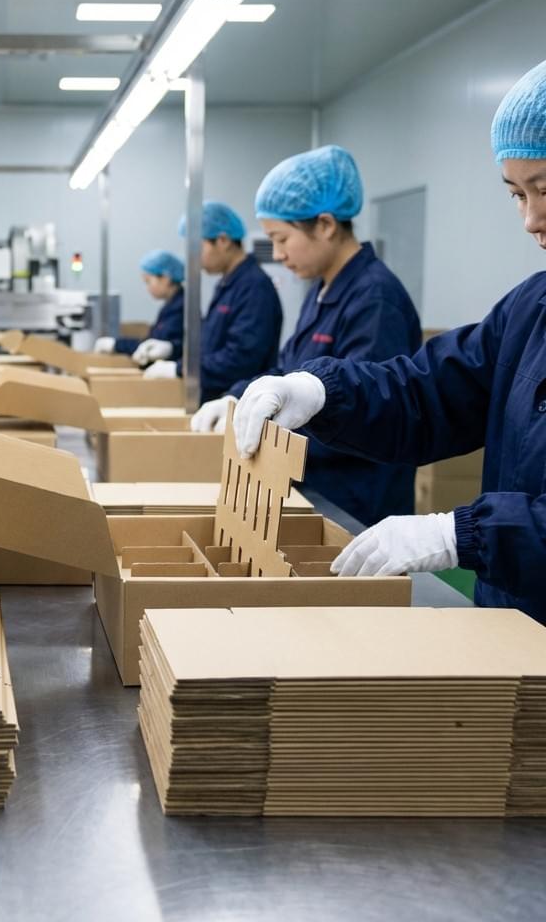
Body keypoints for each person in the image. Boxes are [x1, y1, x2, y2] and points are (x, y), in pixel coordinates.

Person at [231, 60, 546, 623]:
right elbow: (429, 392)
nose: (531, 219)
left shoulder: (375, 297)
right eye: (516, 195)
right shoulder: (531, 308)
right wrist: (322, 392)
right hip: (514, 627)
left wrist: (464, 534)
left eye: (544, 189)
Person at [192, 145, 422, 526]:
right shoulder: (321, 292)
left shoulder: (375, 300)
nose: (277, 254)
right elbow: (287, 371)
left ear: (326, 225)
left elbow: (369, 411)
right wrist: (239, 397)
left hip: (355, 505)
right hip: (313, 489)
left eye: (281, 239)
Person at [143, 200, 283, 397]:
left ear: (223, 240)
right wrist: (173, 350)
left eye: (197, 248)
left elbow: (240, 360)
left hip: (234, 400)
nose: (194, 258)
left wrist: (180, 369)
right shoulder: (227, 284)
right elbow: (211, 345)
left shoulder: (254, 287)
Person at [94, 249, 184, 366]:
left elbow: (155, 347)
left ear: (166, 279)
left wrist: (116, 344)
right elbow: (149, 344)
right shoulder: (171, 306)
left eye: (148, 281)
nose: (147, 287)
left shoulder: (180, 309)